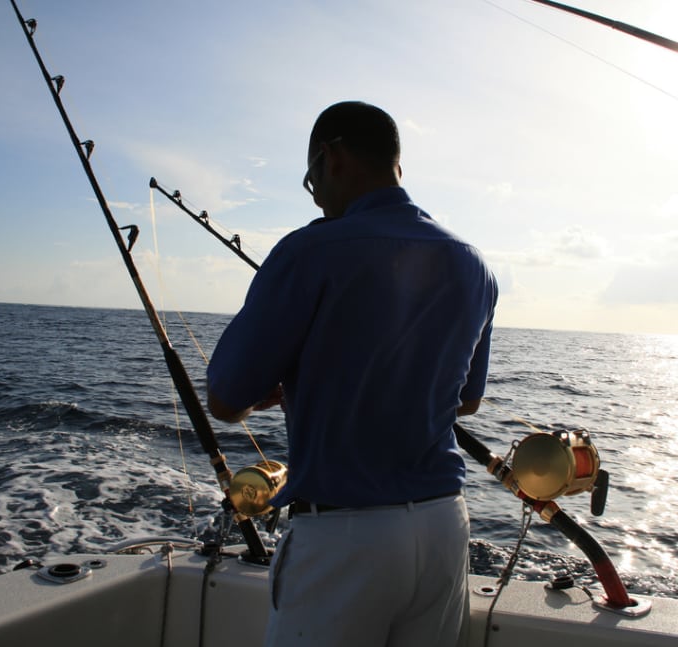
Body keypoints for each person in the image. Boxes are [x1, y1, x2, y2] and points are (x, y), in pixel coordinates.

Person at [206, 101, 498, 647]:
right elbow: (466, 400)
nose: (314, 190)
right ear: (397, 168)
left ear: (332, 157)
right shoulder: (473, 262)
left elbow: (225, 398)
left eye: (310, 175)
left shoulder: (308, 250)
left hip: (343, 543)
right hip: (443, 531)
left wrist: (279, 388)